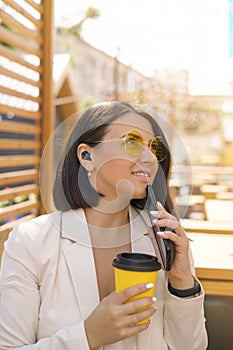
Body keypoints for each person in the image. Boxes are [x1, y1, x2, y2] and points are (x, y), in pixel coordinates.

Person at [0, 101, 208, 349]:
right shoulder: (31, 242)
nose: (151, 158)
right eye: (132, 143)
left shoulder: (165, 240)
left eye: (155, 149)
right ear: (87, 156)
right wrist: (89, 336)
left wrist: (183, 282)